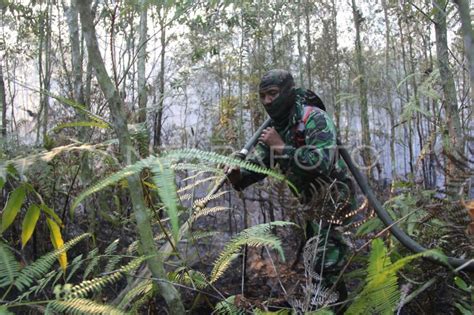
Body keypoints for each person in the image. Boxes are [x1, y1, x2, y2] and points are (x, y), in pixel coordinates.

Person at [226, 69, 355, 308]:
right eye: (263, 96)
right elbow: (257, 167)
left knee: (325, 265)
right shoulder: (278, 128)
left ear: (288, 92)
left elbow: (323, 162)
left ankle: (332, 308)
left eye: (273, 94)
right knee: (316, 263)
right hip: (311, 204)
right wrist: (237, 176)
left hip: (335, 203)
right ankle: (324, 305)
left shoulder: (314, 118)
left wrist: (281, 147)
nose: (267, 101)